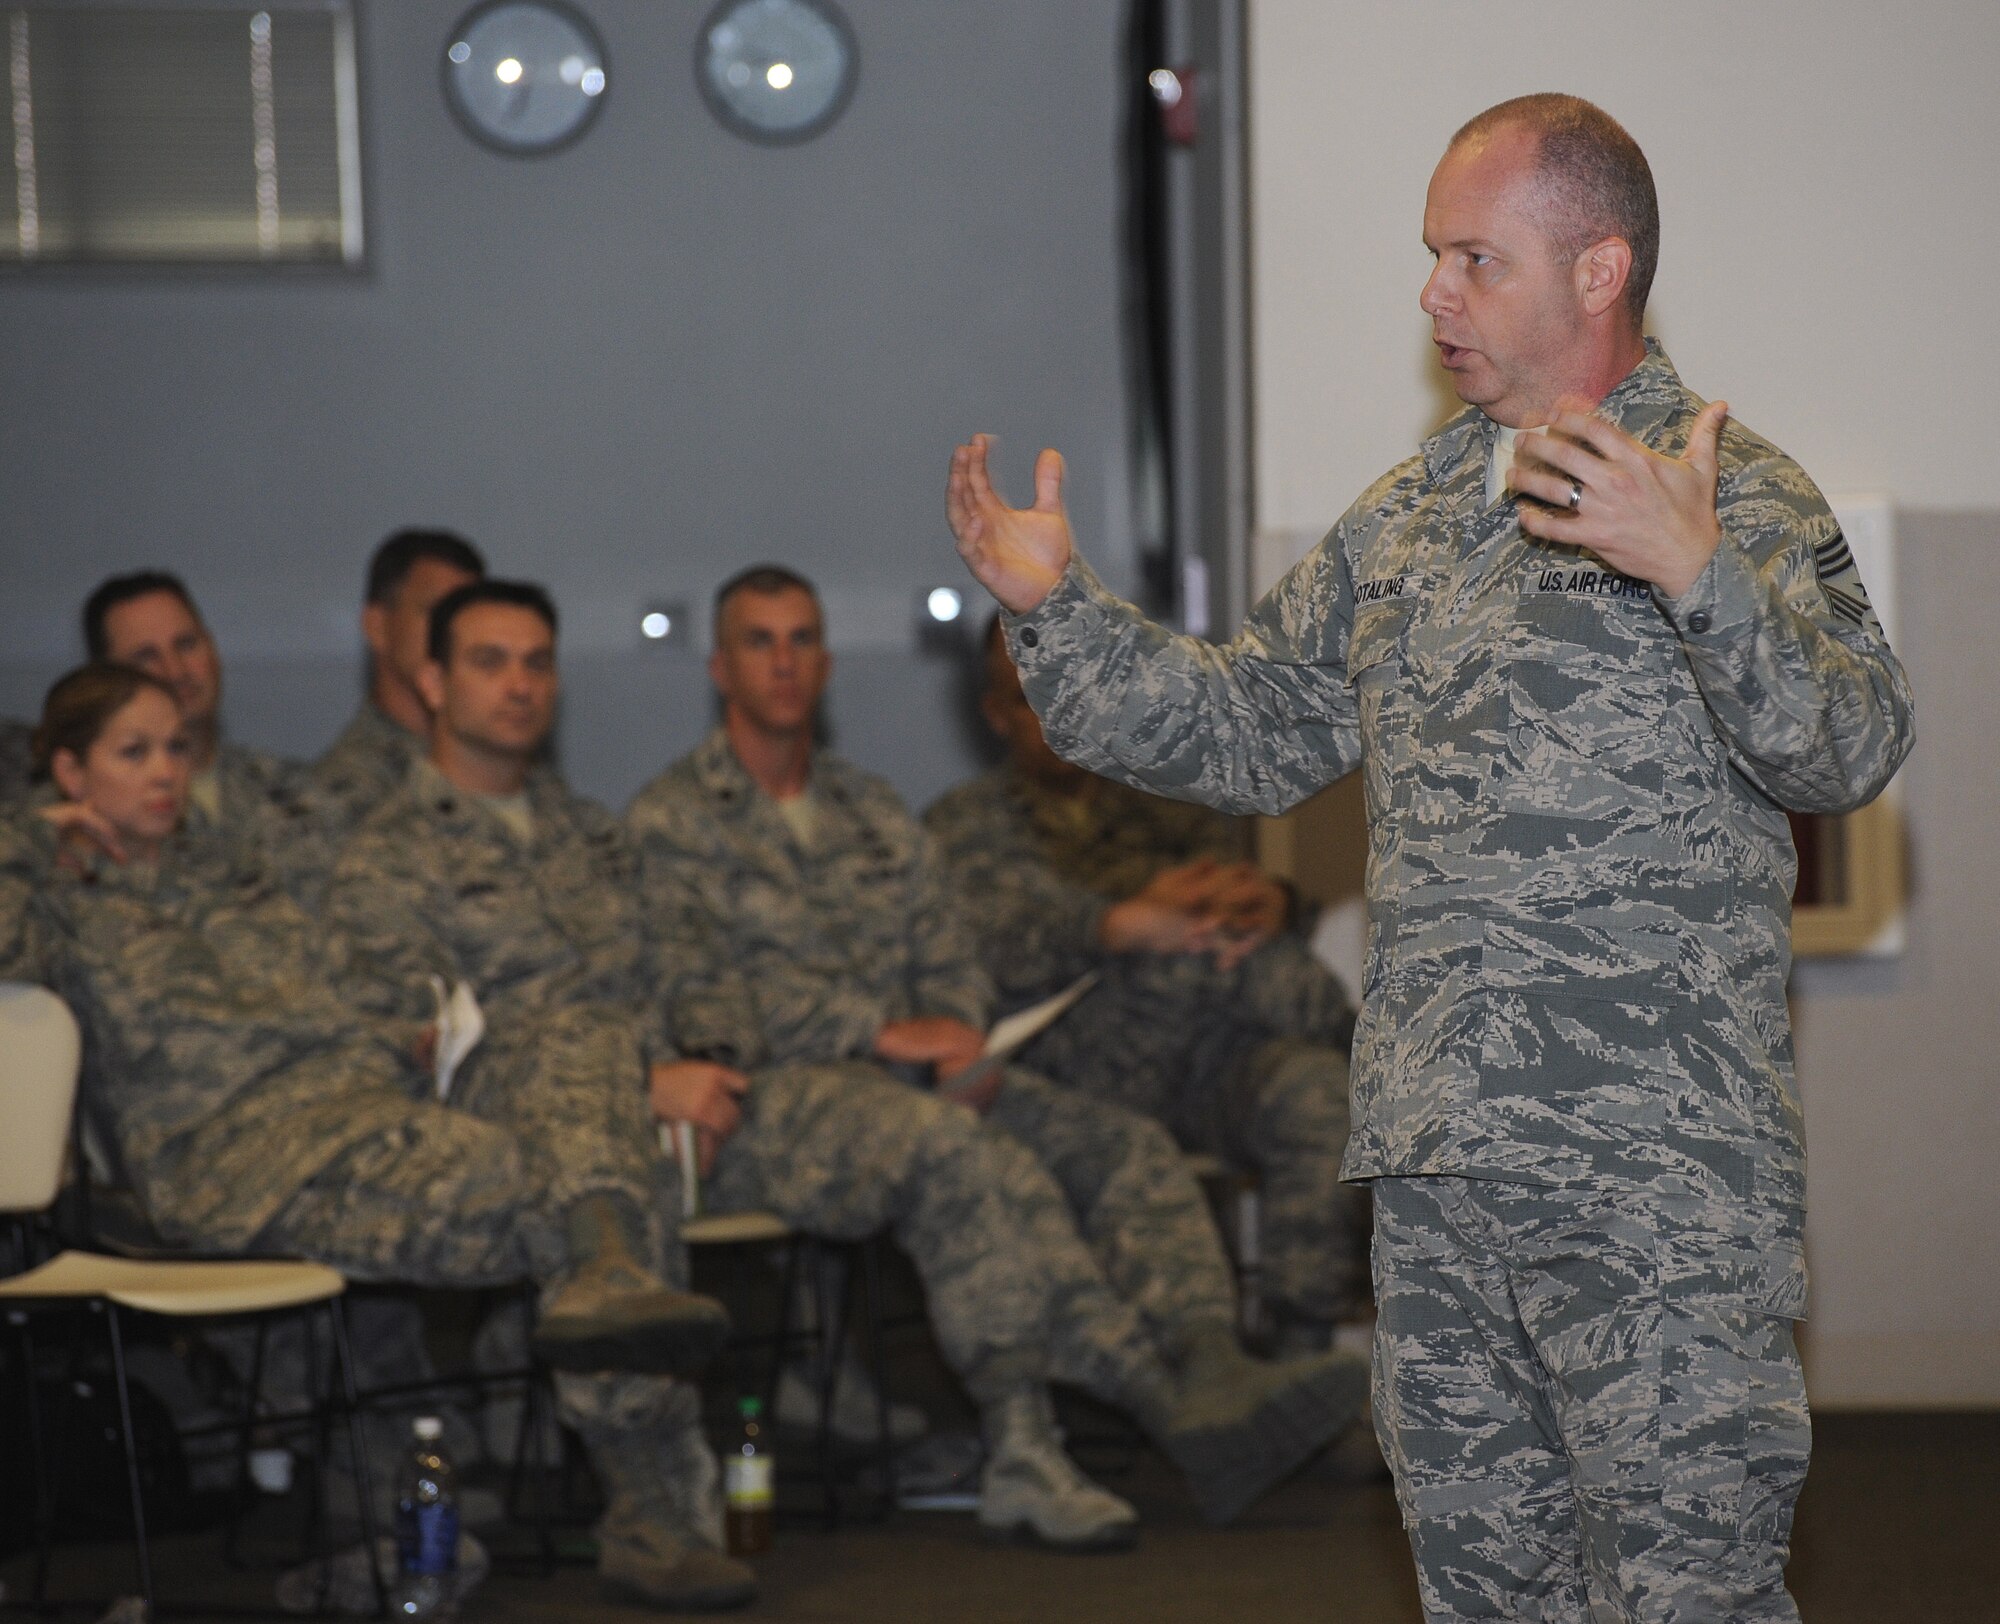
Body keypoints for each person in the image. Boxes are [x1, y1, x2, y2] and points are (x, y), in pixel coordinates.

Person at [946, 93, 1914, 1623]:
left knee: (1689, 1593)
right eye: (1430, 256)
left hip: (1650, 1172)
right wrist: (1059, 614)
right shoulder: (1412, 518)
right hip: (1438, 1163)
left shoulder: (1733, 492)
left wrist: (1697, 574)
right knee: (1486, 1594)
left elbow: (1851, 746)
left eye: (1475, 258)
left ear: (1599, 271)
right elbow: (1253, 730)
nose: (1434, 294)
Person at [626, 565, 1371, 1532]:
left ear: (825, 662)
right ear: (722, 667)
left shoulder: (872, 810)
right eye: (760, 642)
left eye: (801, 639)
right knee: (971, 1163)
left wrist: (952, 1035)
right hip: (781, 1092)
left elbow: (947, 945)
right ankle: (1081, 1426)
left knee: (1119, 1147)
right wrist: (874, 1031)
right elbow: (698, 997)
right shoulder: (671, 821)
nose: (783, 663)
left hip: (921, 1076)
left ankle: (1213, 1362)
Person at [0, 662, 737, 1611]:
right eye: (132, 753)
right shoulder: (50, 893)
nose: (165, 773)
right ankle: (653, 1504)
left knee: (582, 1037)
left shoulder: (234, 869)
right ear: (68, 772)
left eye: (177, 748)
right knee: (554, 1185)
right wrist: (24, 840)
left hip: (370, 1099)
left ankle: (606, 1272)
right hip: (244, 1158)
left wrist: (410, 1032)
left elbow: (332, 989)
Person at [321, 581, 760, 1608]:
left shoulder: (594, 833)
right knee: (591, 1116)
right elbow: (417, 1043)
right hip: (485, 1130)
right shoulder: (383, 850)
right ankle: (650, 1510)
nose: (519, 685)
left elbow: (685, 968)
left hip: (650, 1111)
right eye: (488, 661)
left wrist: (703, 1056)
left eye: (536, 662)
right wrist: (632, 1075)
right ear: (429, 679)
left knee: (858, 1125)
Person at [924, 618, 1368, 1346]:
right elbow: (990, 944)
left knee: (1313, 1090)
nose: (1054, 711)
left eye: (1065, 688)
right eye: (1027, 697)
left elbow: (1230, 898)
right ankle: (1378, 1056)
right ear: (995, 715)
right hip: (1073, 1068)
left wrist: (1266, 906)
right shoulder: (962, 827)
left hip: (1202, 1062)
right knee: (1207, 970)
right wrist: (1119, 926)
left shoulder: (1162, 803)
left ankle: (1299, 1349)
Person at [83, 570, 330, 903]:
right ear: (104, 678)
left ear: (212, 648)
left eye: (186, 644)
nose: (176, 671)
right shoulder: (88, 818)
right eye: (146, 656)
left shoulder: (293, 790)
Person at [311, 528, 486, 840]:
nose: (456, 634)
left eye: (468, 617)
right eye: (438, 613)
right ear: (377, 626)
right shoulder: (341, 796)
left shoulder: (499, 765)